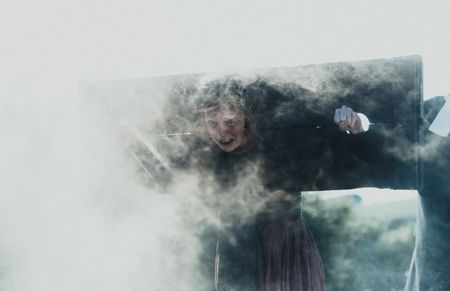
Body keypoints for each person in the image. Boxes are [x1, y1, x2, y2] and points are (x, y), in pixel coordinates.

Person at [192, 76, 367, 291]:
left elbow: (353, 162)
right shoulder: (203, 154)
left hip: (287, 248)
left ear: (248, 117)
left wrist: (355, 129)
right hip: (233, 248)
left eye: (230, 121)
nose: (222, 133)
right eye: (212, 123)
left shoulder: (288, 142)